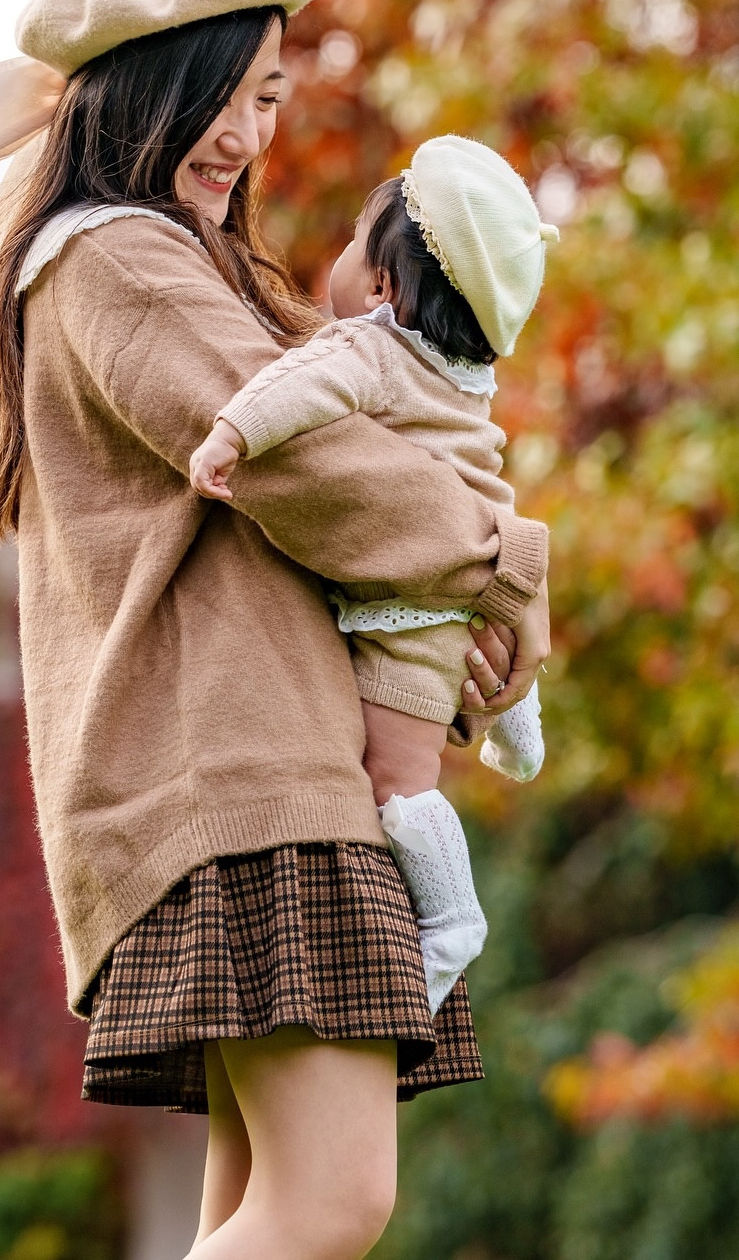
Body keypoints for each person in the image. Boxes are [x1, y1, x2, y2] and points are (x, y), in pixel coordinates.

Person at [0, 0, 550, 1260]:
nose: (252, 132)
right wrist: (506, 562)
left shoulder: (170, 260)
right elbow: (303, 460)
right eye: (231, 91)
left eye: (271, 95)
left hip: (242, 766)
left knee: (252, 1207)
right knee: (330, 1201)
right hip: (237, 774)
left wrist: (448, 629)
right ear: (153, 85)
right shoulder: (116, 256)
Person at [189, 136, 557, 1012]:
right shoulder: (463, 372)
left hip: (412, 617)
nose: (342, 260)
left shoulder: (371, 350)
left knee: (400, 781)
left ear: (386, 287)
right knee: (489, 657)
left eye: (357, 244)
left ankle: (454, 919)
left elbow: (299, 388)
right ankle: (523, 727)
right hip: (475, 580)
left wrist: (228, 434)